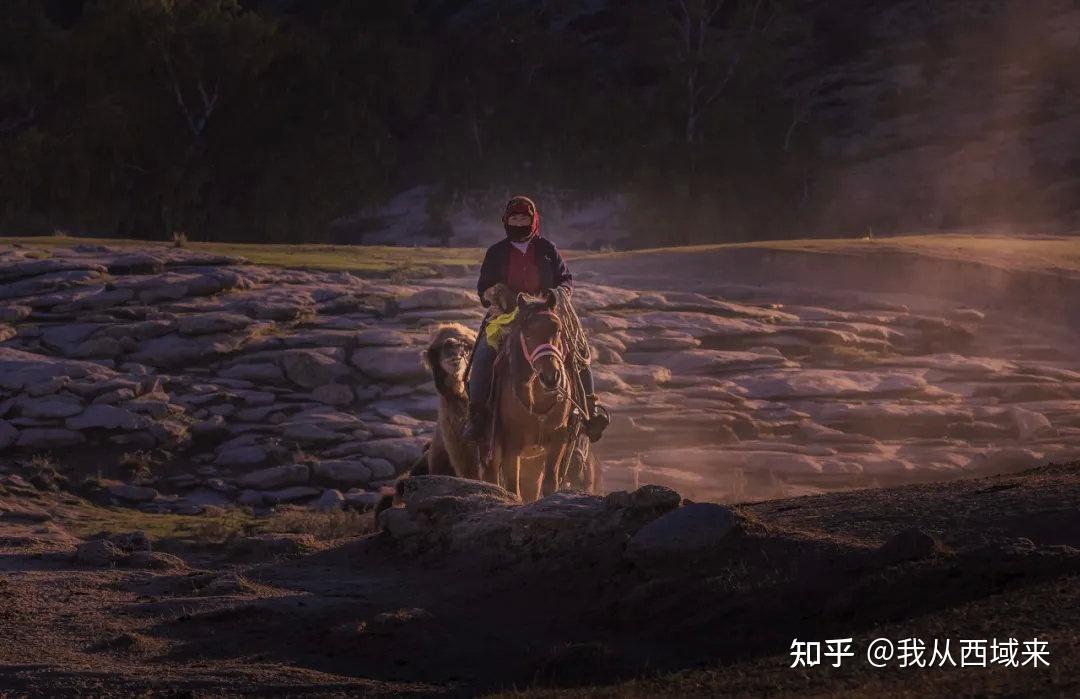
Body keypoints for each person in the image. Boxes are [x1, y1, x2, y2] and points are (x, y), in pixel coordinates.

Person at [462, 195, 608, 442]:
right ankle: (477, 415)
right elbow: (483, 287)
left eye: (524, 218)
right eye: (514, 218)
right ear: (506, 221)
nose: (519, 222)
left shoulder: (547, 249)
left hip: (545, 311)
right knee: (484, 353)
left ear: (534, 219)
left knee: (577, 350)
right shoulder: (496, 252)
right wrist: (496, 295)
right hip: (507, 314)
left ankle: (589, 411)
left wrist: (558, 294)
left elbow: (565, 279)